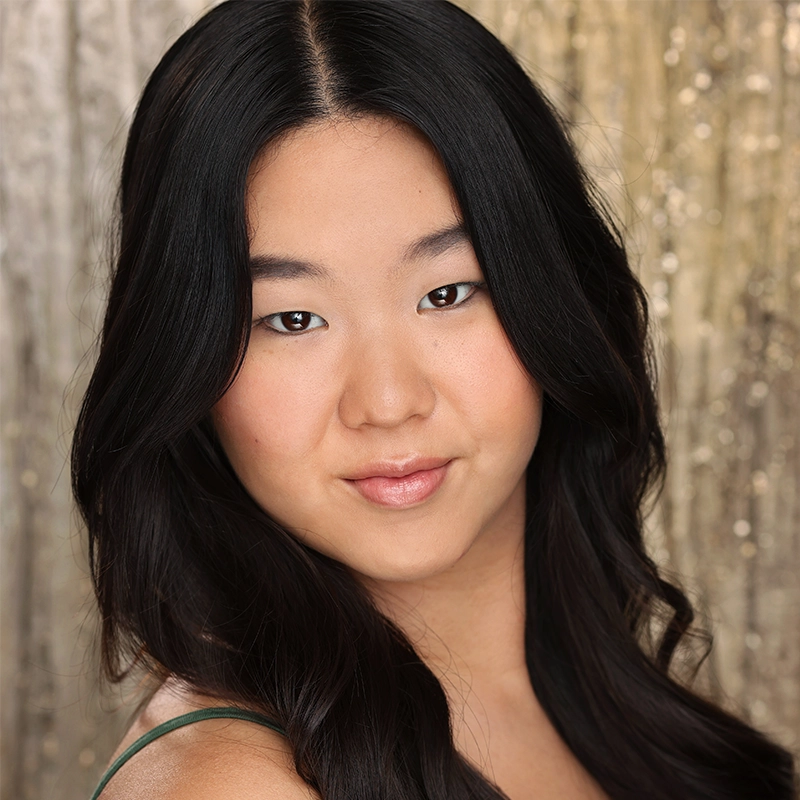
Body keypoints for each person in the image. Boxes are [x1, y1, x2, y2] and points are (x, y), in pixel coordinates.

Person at [72, 1, 796, 798]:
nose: (387, 402)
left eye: (448, 293)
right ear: (187, 363)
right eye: (291, 318)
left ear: (553, 299)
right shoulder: (233, 785)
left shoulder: (620, 717)